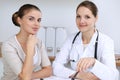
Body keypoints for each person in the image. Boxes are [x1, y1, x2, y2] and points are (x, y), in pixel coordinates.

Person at [52, 1, 119, 80]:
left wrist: (94, 62)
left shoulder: (106, 41)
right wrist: (78, 74)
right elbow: (55, 66)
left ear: (96, 18)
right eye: (78, 16)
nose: (81, 21)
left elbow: (113, 76)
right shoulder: (70, 40)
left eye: (87, 17)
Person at [1, 4, 52, 80]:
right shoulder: (8, 46)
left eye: (39, 20)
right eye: (31, 19)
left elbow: (48, 71)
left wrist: (28, 76)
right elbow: (25, 78)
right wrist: (30, 48)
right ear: (19, 20)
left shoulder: (38, 42)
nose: (36, 24)